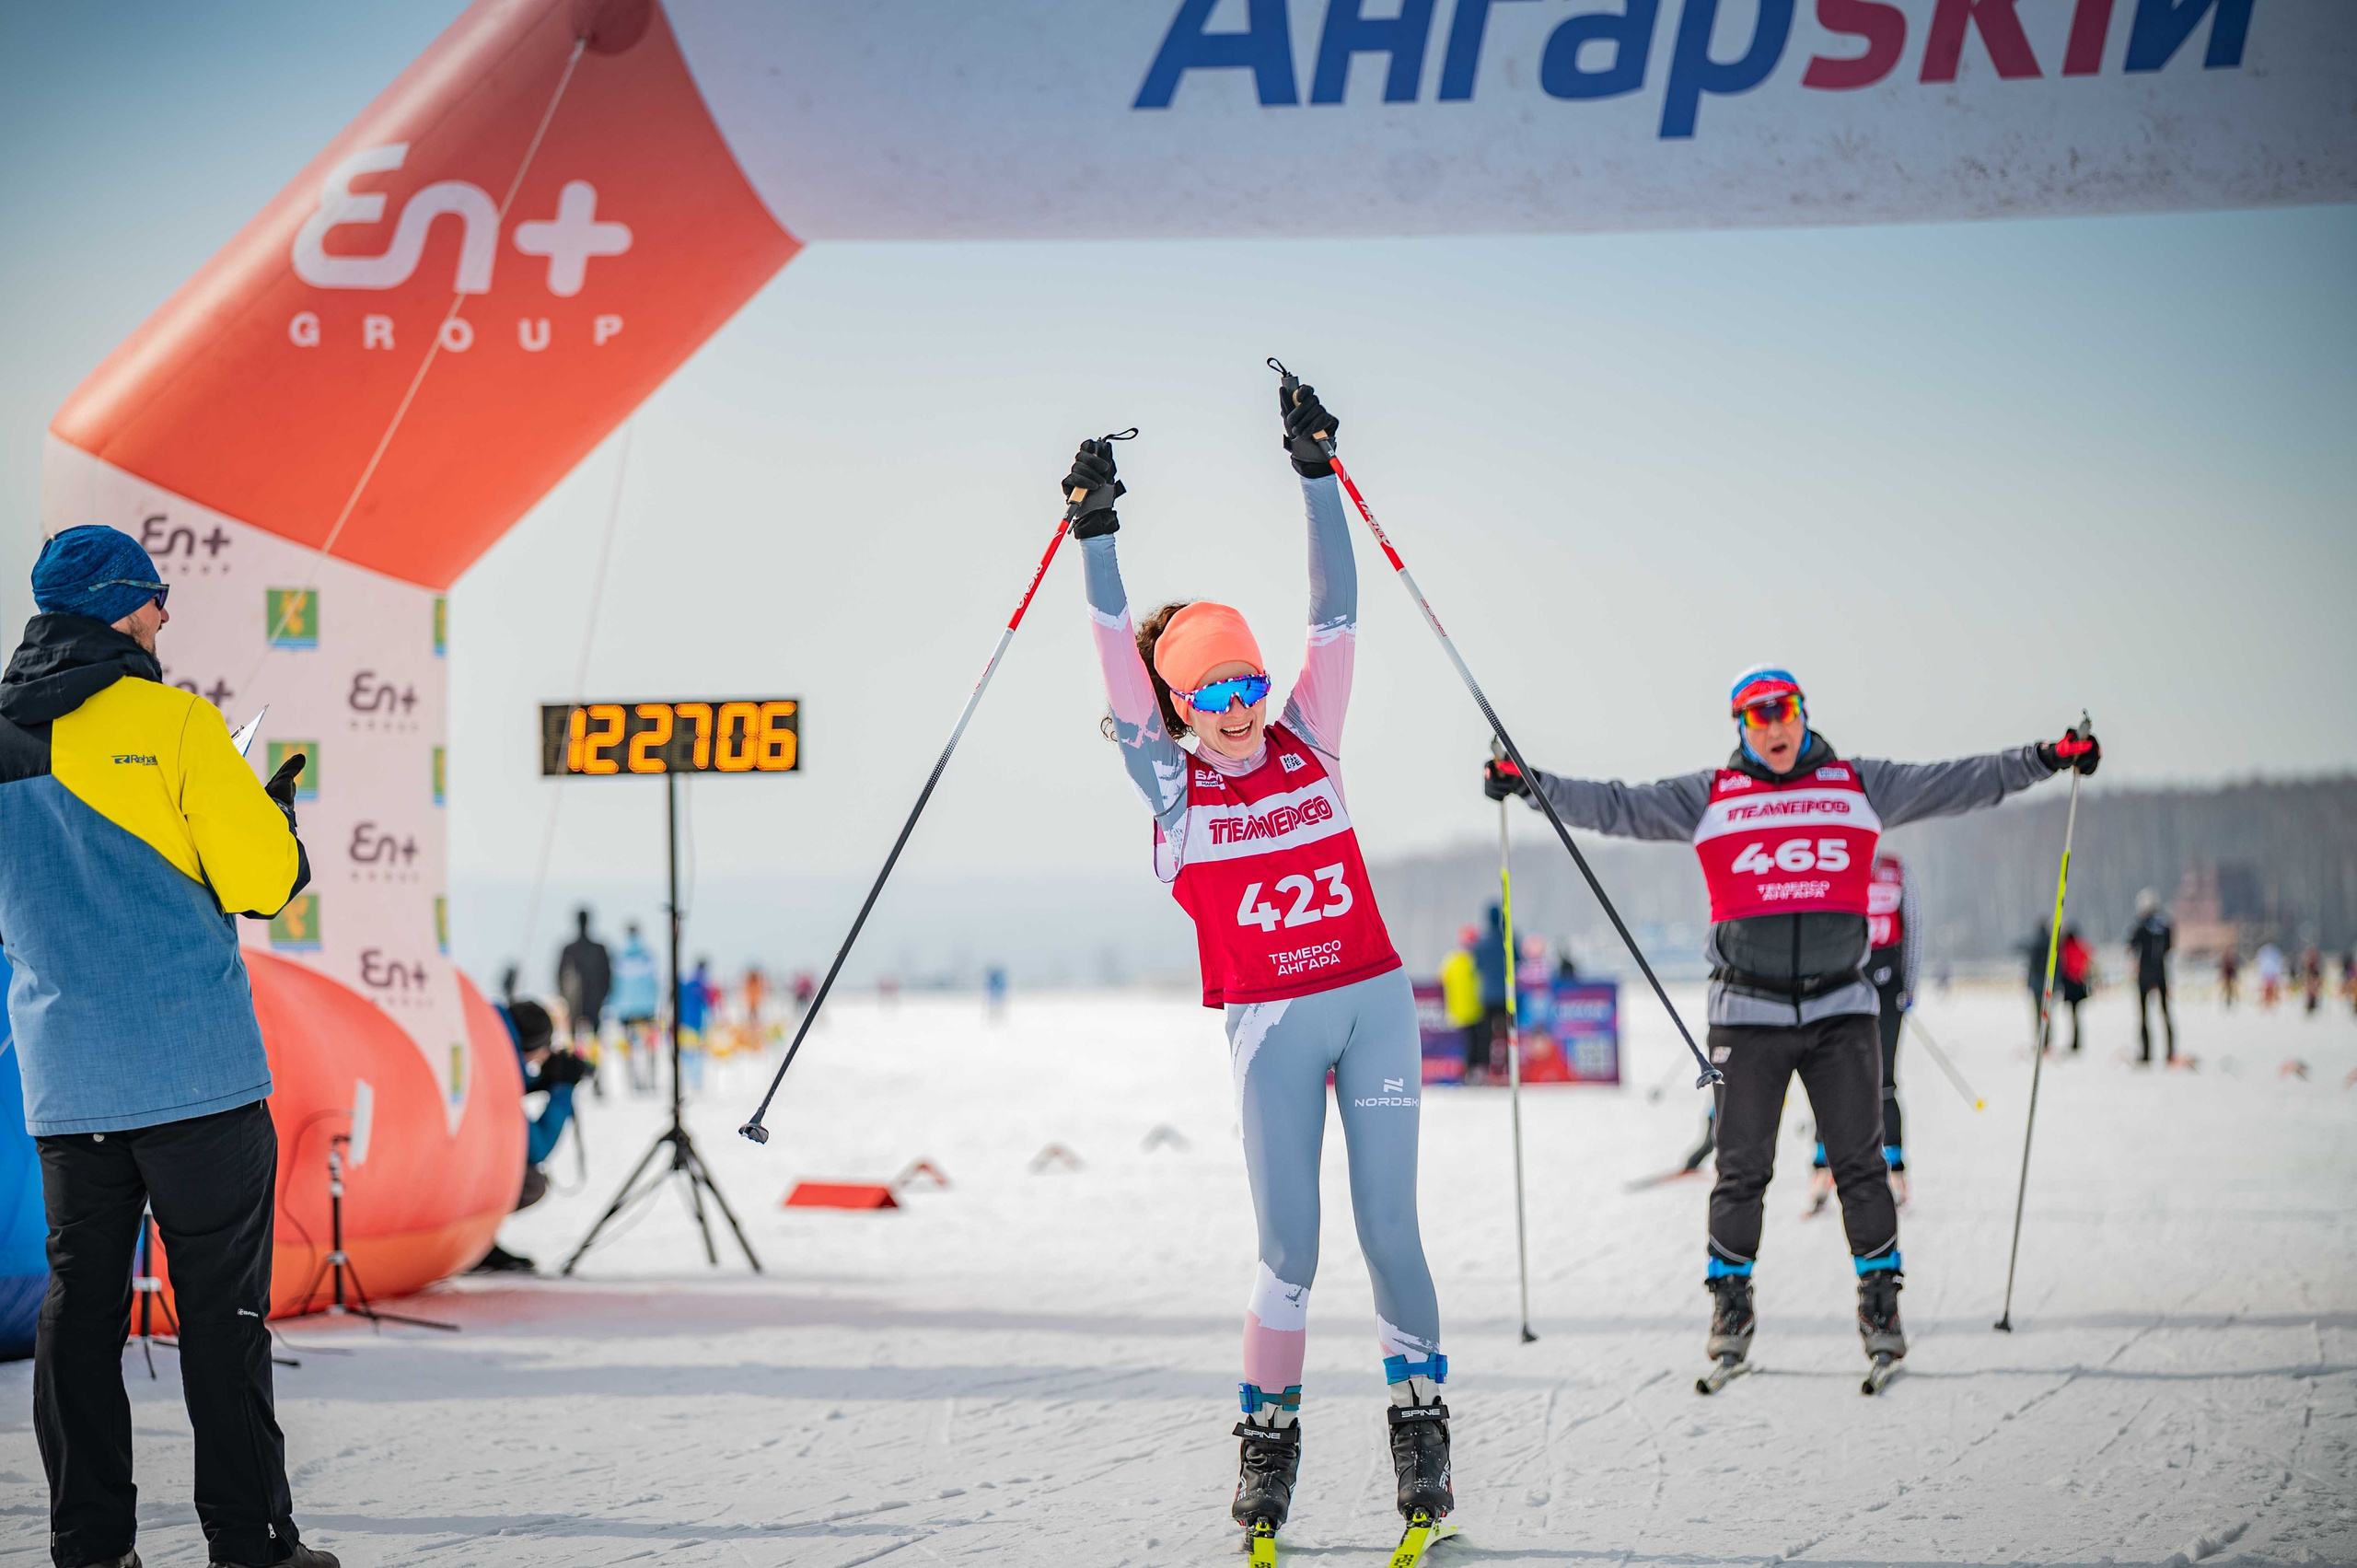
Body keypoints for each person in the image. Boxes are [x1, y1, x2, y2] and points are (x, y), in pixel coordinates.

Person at [1065, 378, 1452, 1542]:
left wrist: (1315, 471)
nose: (1239, 708)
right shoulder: (1173, 787)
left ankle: (1420, 1429)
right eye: (1212, 694)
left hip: (1373, 1006)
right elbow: (1113, 664)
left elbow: (1333, 609)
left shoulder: (1309, 737)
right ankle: (1266, 1447)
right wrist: (1097, 534)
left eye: (1246, 683)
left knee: (1391, 1228)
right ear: (1178, 706)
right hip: (1273, 1028)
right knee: (1290, 1247)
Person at [1484, 665, 2096, 1379]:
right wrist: (1528, 781)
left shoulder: (1857, 785)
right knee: (1740, 1170)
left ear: (1803, 713)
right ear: (1741, 726)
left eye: (1784, 711)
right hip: (1747, 1015)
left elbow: (1961, 779)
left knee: (1860, 1166)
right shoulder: (1711, 795)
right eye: (1756, 715)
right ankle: (1731, 1306)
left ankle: (1880, 1304)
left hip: (1842, 1009)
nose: (1773, 726)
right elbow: (1613, 805)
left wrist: (2049, 758)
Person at [0, 526, 338, 1568]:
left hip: (70, 1084)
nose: (163, 616)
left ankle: (90, 1546)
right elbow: (261, 883)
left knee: (81, 1313)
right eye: (154, 599)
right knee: (223, 1316)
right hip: (196, 1076)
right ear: (114, 607)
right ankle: (250, 1542)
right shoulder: (178, 724)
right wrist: (271, 816)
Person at [1808, 849, 1916, 1212]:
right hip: (1843, 983)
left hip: (1887, 985)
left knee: (1884, 1080)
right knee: (1830, 1078)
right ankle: (1823, 1167)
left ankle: (1895, 1169)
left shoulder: (1896, 868)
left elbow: (1913, 925)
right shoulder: (1837, 859)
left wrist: (1909, 985)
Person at [470, 1000, 591, 1274]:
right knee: (530, 1182)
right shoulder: (497, 1064)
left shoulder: (484, 1036)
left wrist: (540, 1081)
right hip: (447, 1179)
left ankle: (475, 1242)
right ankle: (470, 1243)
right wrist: (562, 1089)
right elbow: (536, 1149)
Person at [556, 907, 610, 1096]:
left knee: (578, 1045)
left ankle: (583, 1081)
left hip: (581, 1006)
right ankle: (591, 1080)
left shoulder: (570, 949)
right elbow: (607, 978)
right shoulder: (597, 949)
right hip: (590, 1005)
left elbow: (559, 978)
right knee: (589, 1044)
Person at [610, 921, 659, 1095]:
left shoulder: (619, 956)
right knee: (649, 1046)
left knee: (629, 1047)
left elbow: (615, 985)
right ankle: (651, 1079)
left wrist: (613, 1006)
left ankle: (633, 1081)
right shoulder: (647, 955)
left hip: (625, 1010)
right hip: (647, 1008)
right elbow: (654, 983)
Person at [2127, 889, 2176, 1065]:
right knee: (2165, 1012)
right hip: (2161, 972)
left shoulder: (2140, 926)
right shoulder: (2165, 926)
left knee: (2144, 1013)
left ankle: (2147, 1052)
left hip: (2145, 974)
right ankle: (2170, 1051)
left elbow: (2131, 946)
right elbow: (2170, 947)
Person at [1468, 904, 1508, 1085]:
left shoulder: (1482, 943)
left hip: (1487, 996)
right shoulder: (1507, 940)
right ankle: (1508, 1067)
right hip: (1507, 995)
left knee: (1485, 1035)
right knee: (1508, 1032)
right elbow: (1519, 961)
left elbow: (1476, 967)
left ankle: (1483, 1069)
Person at [1438, 927, 1483, 1077]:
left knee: (1467, 1044)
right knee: (1471, 1044)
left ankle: (1465, 1072)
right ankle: (1468, 1072)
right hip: (1470, 1009)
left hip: (1462, 1009)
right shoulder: (1473, 959)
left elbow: (1439, 979)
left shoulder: (1452, 959)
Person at [2059, 926, 2092, 1051]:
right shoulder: (2080, 945)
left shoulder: (2066, 947)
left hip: (2070, 984)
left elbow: (2065, 964)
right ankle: (2077, 1040)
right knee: (2076, 1014)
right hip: (2078, 982)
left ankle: (2075, 1041)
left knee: (2073, 1014)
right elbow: (2087, 957)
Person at [2256, 941, 2284, 1007]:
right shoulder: (2268, 955)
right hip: (2268, 975)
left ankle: (2270, 1002)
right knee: (2268, 990)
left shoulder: (2267, 954)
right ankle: (2267, 1003)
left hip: (2270, 975)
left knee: (2271, 990)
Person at [2217, 944, 2238, 1008]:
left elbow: (2232, 969)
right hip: (2226, 978)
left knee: (2231, 991)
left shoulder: (2231, 959)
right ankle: (2223, 1003)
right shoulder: (2226, 959)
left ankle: (2231, 1003)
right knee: (2225, 991)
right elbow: (2223, 969)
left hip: (2230, 978)